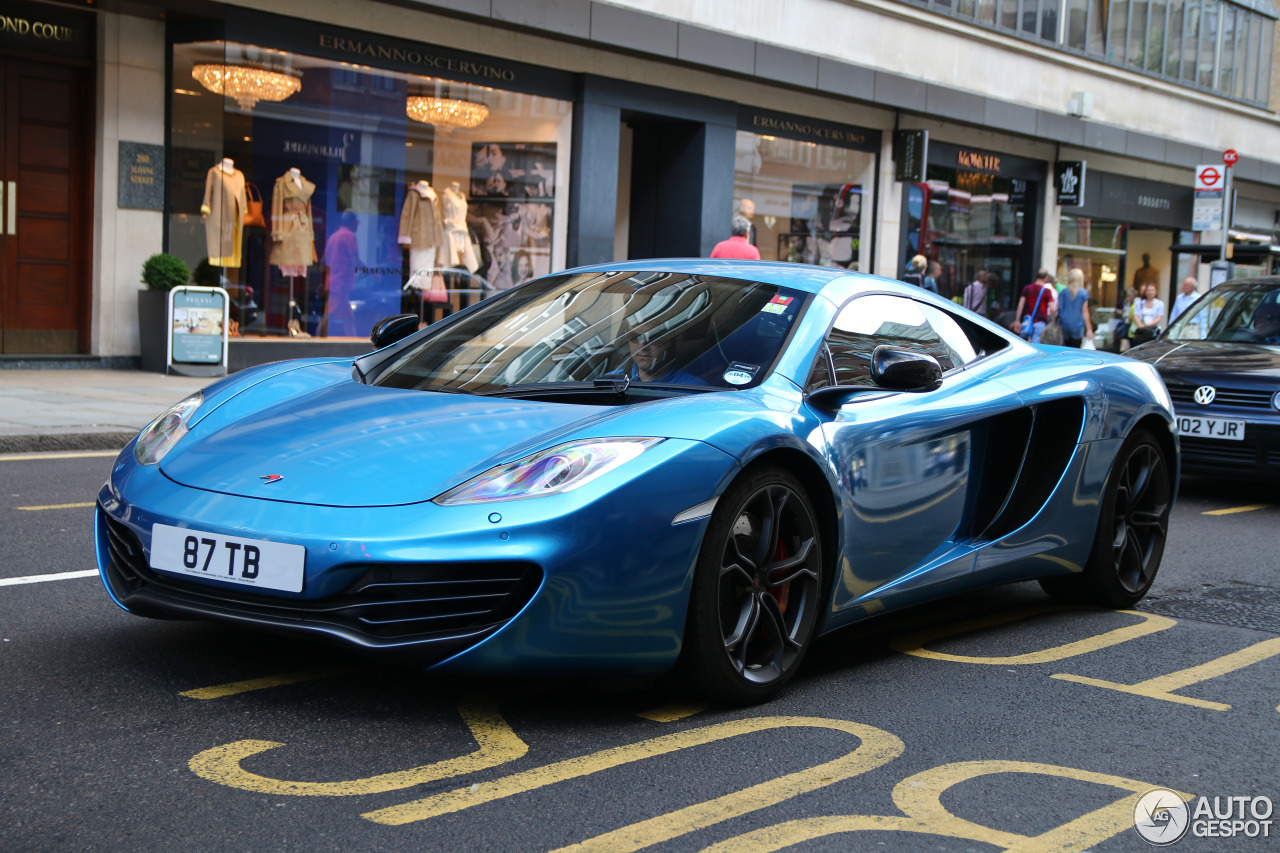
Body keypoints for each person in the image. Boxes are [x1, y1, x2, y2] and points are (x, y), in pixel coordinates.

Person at [322, 212, 362, 337]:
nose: (357, 225)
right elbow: (355, 260)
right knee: (329, 317)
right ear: (352, 223)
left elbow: (324, 260)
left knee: (348, 318)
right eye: (356, 222)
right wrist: (373, 273)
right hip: (341, 283)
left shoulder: (333, 237)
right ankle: (317, 339)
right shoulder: (349, 237)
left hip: (334, 283)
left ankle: (353, 343)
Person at [626, 330, 703, 384]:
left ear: (673, 339)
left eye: (654, 337)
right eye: (634, 336)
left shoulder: (695, 393)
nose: (642, 346)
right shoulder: (615, 381)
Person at [1011, 268, 1057, 343]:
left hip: (1027, 321)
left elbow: (1020, 306)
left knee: (1024, 344)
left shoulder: (1027, 288)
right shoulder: (1047, 291)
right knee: (1036, 346)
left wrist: (1017, 320)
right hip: (1040, 322)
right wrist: (1053, 321)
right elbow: (1052, 309)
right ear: (1046, 277)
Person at [1056, 268, 1094, 348]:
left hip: (1064, 326)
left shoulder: (1063, 292)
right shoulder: (1083, 293)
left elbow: (1058, 309)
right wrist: (1089, 329)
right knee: (1075, 350)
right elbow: (1085, 312)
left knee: (1064, 350)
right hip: (1077, 327)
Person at [1115, 286, 1137, 352]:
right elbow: (1118, 309)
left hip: (1133, 326)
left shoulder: (1136, 304)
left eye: (1131, 296)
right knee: (1124, 345)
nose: (1129, 298)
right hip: (1126, 324)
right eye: (1128, 296)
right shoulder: (1124, 303)